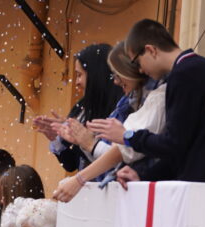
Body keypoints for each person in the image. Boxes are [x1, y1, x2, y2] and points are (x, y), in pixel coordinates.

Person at [100, 20, 205, 184]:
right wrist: (144, 176)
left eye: (137, 62)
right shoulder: (202, 67)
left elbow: (173, 143)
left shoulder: (183, 74)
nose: (140, 70)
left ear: (151, 50)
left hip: (198, 184)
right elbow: (183, 146)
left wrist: (128, 136)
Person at [55, 42, 168, 203]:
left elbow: (123, 152)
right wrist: (81, 142)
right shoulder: (128, 101)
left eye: (80, 75)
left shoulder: (151, 99)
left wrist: (90, 148)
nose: (115, 81)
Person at [33, 43, 123, 171]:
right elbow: (71, 165)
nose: (77, 83)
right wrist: (58, 138)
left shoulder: (121, 110)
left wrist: (87, 142)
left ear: (96, 76)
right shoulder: (82, 109)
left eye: (79, 75)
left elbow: (115, 163)